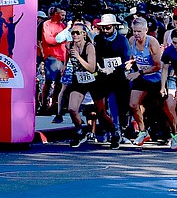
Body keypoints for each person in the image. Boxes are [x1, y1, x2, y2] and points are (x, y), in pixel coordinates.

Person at [92, 13, 131, 149]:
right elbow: (95, 56)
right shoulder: (98, 39)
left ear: (114, 27)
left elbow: (127, 60)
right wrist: (98, 68)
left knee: (119, 104)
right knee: (101, 106)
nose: (106, 31)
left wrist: (114, 69)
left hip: (118, 76)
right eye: (103, 28)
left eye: (108, 28)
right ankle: (108, 129)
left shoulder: (122, 40)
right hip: (103, 76)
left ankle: (120, 130)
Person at [126, 17, 165, 146]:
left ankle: (170, 132)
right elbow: (133, 57)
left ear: (146, 30)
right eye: (134, 31)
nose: (136, 34)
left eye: (139, 31)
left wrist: (139, 72)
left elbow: (158, 65)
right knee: (133, 104)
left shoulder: (152, 42)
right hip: (142, 77)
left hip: (156, 78)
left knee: (158, 108)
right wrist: (130, 64)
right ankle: (143, 131)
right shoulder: (132, 41)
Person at [67, 23, 97, 148]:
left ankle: (113, 132)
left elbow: (92, 68)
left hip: (91, 80)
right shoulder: (69, 45)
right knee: (72, 109)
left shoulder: (89, 47)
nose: (74, 35)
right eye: (72, 33)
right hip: (78, 80)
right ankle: (80, 130)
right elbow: (67, 56)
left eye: (77, 32)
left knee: (99, 111)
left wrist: (78, 57)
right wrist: (64, 66)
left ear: (84, 34)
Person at [41, 7, 67, 122]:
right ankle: (43, 104)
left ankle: (54, 104)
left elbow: (67, 40)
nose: (63, 17)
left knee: (59, 83)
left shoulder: (63, 26)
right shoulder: (46, 24)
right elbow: (48, 39)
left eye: (64, 15)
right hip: (51, 56)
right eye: (61, 14)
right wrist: (60, 39)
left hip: (62, 56)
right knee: (48, 81)